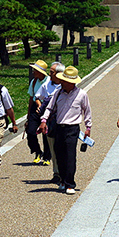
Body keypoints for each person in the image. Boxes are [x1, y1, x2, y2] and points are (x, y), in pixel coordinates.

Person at [39, 66, 91, 195]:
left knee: (70, 157)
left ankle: (70, 183)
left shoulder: (82, 94)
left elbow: (87, 111)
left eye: (64, 81)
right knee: (59, 156)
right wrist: (44, 120)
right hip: (59, 128)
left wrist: (88, 127)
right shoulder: (58, 93)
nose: (61, 82)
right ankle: (62, 180)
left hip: (72, 129)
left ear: (72, 82)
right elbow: (49, 108)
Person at [35, 60, 64, 183]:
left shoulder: (66, 87)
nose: (49, 75)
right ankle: (56, 173)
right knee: (53, 148)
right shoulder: (47, 85)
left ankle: (64, 173)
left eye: (51, 72)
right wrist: (40, 107)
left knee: (63, 148)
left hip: (63, 122)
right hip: (50, 122)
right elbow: (37, 96)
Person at [25, 60, 51, 164]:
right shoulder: (34, 82)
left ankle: (47, 156)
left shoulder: (49, 81)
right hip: (35, 109)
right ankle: (37, 151)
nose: (33, 72)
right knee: (30, 132)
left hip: (47, 108)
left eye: (35, 70)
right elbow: (31, 98)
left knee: (46, 133)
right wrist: (29, 113)